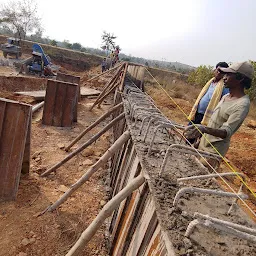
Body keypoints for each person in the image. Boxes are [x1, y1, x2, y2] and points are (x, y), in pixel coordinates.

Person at [184, 61, 253, 162]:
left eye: (229, 74)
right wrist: (201, 137)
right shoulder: (225, 97)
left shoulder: (242, 104)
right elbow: (213, 121)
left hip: (212, 152)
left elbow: (226, 132)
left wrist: (203, 129)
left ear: (240, 78)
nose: (224, 77)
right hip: (203, 144)